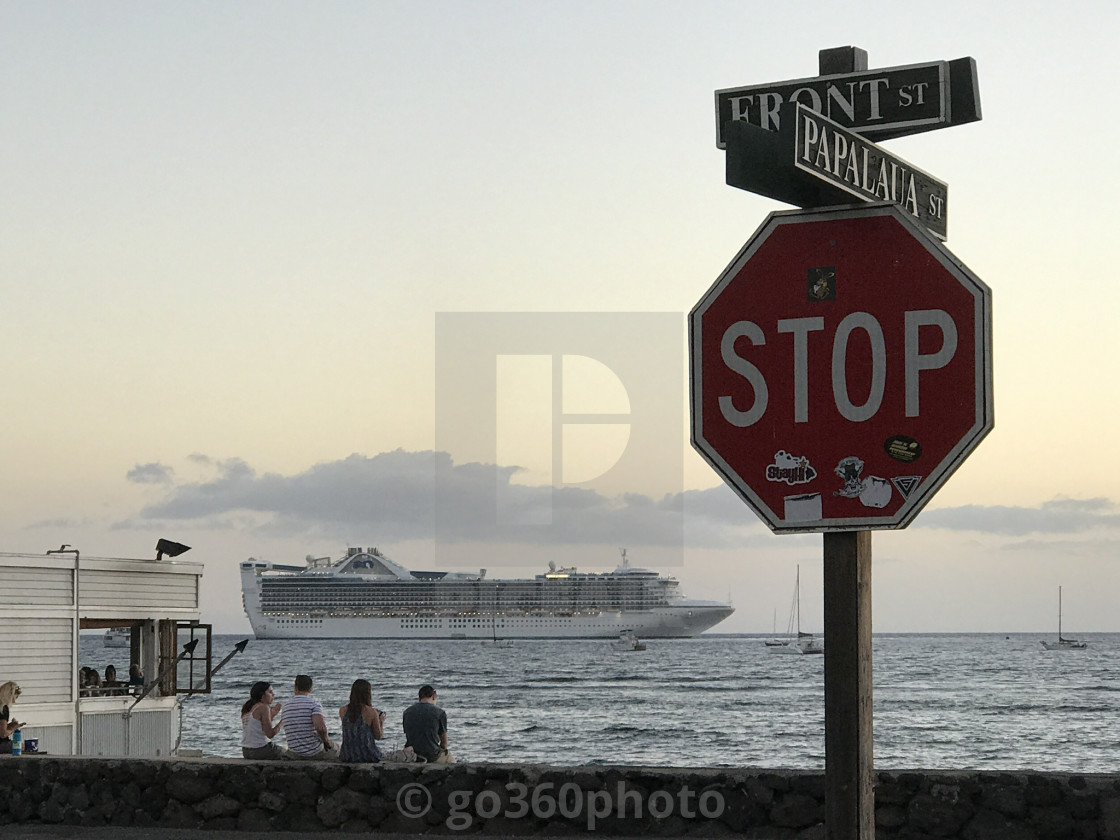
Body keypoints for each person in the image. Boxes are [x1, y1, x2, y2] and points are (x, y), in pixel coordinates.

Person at [281, 674, 337, 760]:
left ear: (295, 687)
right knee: (337, 749)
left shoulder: (286, 706)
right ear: (310, 688)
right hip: (314, 752)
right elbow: (321, 728)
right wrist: (326, 741)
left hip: (293, 752)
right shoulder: (313, 704)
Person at [402, 684, 452, 763]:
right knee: (450, 759)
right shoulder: (440, 713)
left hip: (413, 755)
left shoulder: (407, 712)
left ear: (419, 698)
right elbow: (444, 744)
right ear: (434, 696)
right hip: (432, 756)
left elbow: (408, 735)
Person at [338, 678, 385, 763]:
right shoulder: (371, 711)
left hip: (347, 754)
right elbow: (378, 736)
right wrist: (381, 721)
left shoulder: (342, 710)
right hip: (366, 755)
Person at [240, 681, 287, 759]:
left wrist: (272, 715)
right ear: (262, 695)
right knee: (288, 753)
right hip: (261, 749)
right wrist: (282, 722)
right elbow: (270, 734)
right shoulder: (264, 707)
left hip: (246, 751)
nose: (273, 694)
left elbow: (259, 728)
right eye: (270, 692)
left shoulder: (248, 708)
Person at [0, 681, 21, 755]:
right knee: (20, 746)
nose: (14, 701)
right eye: (14, 698)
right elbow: (3, 734)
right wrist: (13, 728)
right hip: (1, 744)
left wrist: (9, 726)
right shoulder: (3, 709)